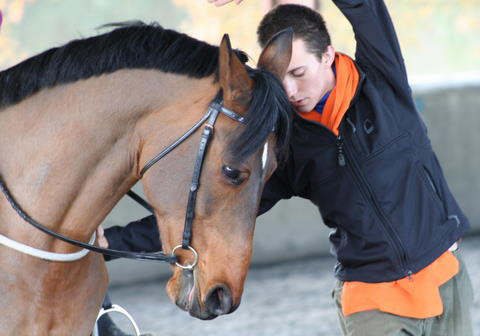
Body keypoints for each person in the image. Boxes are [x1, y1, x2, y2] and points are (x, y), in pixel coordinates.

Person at [100, 1, 475, 335]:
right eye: (283, 80)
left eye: (299, 73)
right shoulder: (288, 145)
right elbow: (210, 212)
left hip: (446, 277)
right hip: (372, 300)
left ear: (328, 55)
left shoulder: (381, 80)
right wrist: (111, 244)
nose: (291, 91)